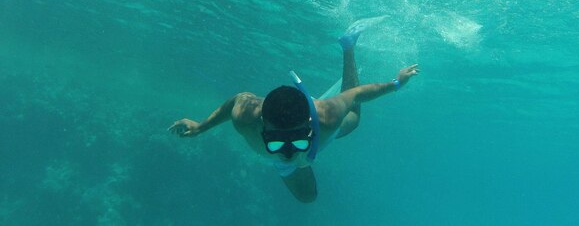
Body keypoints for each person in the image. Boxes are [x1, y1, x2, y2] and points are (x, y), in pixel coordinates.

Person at [169, 23, 419, 203]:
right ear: (262, 125)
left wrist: (397, 83)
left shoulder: (326, 117)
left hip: (317, 121)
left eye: (298, 139)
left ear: (310, 124)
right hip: (301, 122)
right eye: (277, 141)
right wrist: (201, 127)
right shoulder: (245, 116)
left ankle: (348, 46)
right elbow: (238, 98)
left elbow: (356, 94)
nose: (289, 152)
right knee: (307, 198)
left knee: (352, 120)